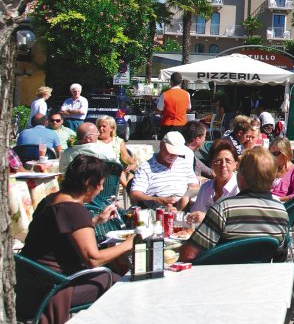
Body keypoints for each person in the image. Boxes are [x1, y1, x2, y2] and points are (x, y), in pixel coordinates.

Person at [17, 155, 133, 324]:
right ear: (88, 183)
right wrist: (130, 243)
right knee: (121, 284)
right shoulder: (74, 210)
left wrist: (96, 220)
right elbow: (93, 259)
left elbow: (61, 232)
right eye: (100, 184)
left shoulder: (50, 200)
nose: (101, 189)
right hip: (53, 288)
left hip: (28, 282)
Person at [179, 147, 290, 262]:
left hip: (222, 272)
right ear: (272, 180)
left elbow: (188, 254)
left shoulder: (223, 209)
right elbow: (279, 256)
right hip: (261, 272)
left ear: (241, 178)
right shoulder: (281, 212)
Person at [129, 131, 198, 210]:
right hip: (157, 208)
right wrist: (158, 200)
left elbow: (194, 186)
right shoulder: (146, 167)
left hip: (185, 206)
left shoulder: (184, 164)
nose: (173, 156)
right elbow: (135, 194)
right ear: (162, 145)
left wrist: (185, 198)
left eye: (177, 153)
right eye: (171, 152)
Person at [187, 139, 240, 224]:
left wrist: (207, 218)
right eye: (218, 161)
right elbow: (194, 215)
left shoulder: (239, 189)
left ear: (235, 165)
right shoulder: (205, 188)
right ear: (212, 165)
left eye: (228, 161)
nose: (223, 165)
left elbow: (237, 222)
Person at [270, 137, 294, 202]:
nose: (272, 157)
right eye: (270, 154)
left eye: (276, 153)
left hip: (281, 205)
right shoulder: (270, 168)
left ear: (285, 153)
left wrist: (279, 199)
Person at [156, 71, 191, 138]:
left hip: (167, 125)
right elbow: (188, 109)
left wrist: (151, 101)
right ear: (181, 82)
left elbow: (159, 111)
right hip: (182, 124)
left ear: (171, 82)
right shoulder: (187, 94)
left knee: (167, 144)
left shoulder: (165, 94)